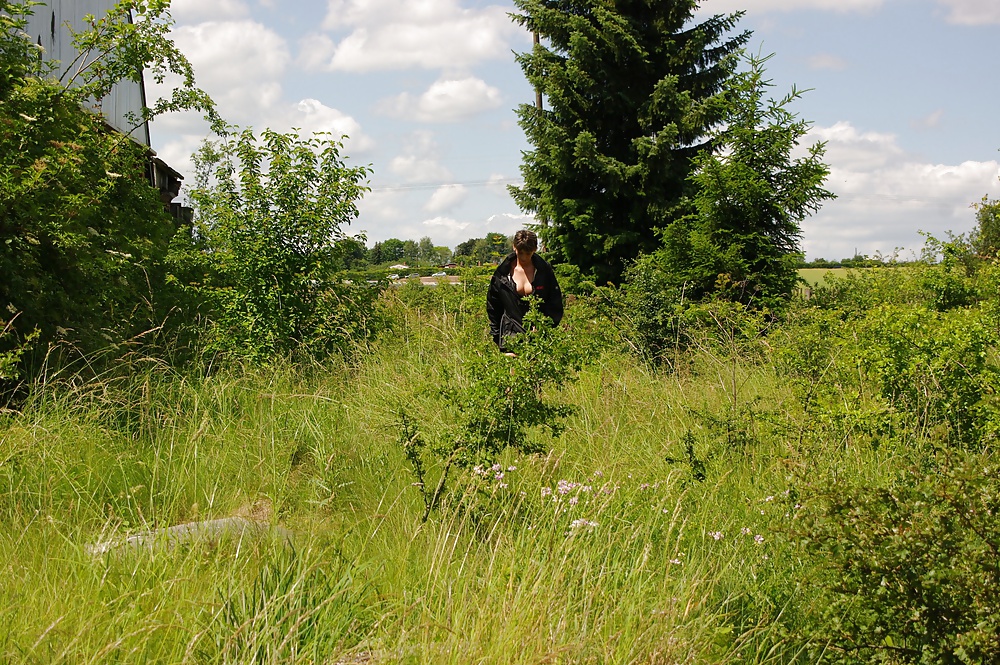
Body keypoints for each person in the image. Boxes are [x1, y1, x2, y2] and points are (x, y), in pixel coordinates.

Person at [486, 229, 563, 354]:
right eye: (520, 252)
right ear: (514, 247)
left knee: (538, 373)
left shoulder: (544, 271)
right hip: (510, 338)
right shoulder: (502, 274)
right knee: (511, 372)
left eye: (528, 253)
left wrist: (544, 327)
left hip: (539, 340)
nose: (524, 257)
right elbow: (493, 306)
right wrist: (497, 336)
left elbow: (554, 302)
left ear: (535, 250)